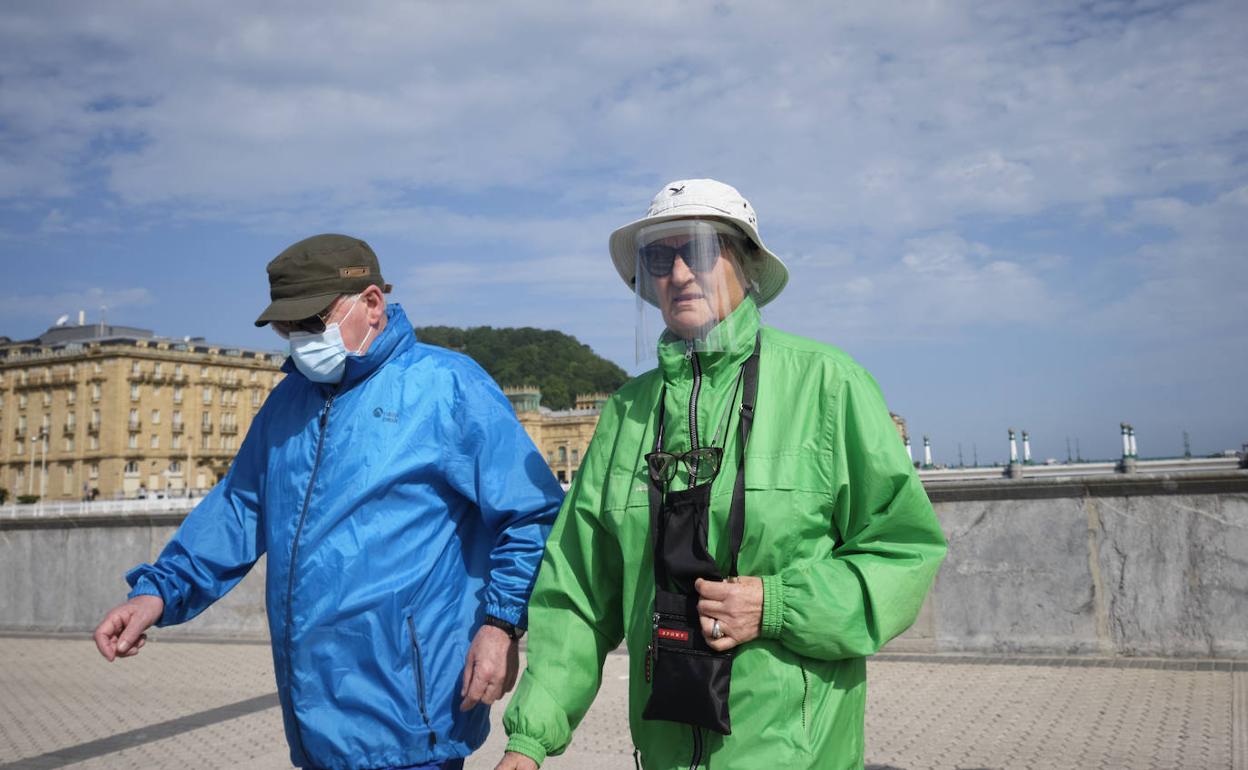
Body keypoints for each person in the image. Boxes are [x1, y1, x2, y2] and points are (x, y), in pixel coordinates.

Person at [496, 180, 947, 769]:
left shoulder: (828, 386)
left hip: (796, 754)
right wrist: (528, 742)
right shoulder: (627, 415)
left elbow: (902, 552)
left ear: (748, 263)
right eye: (660, 257)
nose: (680, 272)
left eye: (702, 251)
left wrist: (776, 603)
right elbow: (578, 594)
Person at [93, 234, 563, 770]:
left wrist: (500, 625)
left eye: (311, 322)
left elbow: (531, 513)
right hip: (313, 722)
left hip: (411, 716)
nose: (298, 339)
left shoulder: (447, 386)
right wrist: (157, 592)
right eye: (286, 328)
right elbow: (239, 510)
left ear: (372, 303)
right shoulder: (286, 402)